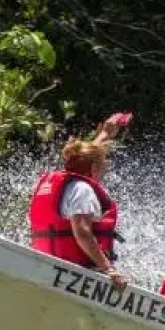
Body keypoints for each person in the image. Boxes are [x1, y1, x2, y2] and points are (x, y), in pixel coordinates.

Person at [28, 113, 132, 288]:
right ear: (93, 168)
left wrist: (106, 133)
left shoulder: (62, 183)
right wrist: (108, 268)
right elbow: (82, 232)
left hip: (48, 265)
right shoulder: (83, 190)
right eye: (104, 163)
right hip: (75, 272)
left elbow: (87, 155)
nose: (106, 167)